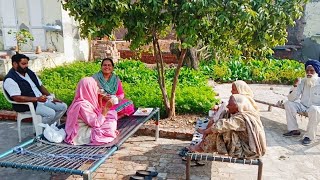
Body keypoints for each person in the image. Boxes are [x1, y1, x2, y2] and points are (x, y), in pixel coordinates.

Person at [189, 94, 266, 159]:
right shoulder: (244, 113)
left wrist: (205, 131)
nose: (228, 106)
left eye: (230, 104)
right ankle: (202, 146)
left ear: (238, 107)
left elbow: (221, 125)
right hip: (244, 145)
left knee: (222, 129)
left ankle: (201, 148)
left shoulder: (242, 118)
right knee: (224, 118)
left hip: (247, 151)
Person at [3, 54, 67, 125]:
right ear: (15, 64)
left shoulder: (29, 72)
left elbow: (40, 86)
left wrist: (51, 97)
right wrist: (37, 99)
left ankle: (49, 128)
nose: (26, 66)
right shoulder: (10, 79)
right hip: (28, 105)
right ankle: (40, 133)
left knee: (63, 106)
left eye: (27, 63)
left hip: (40, 100)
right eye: (23, 64)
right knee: (50, 113)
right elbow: (16, 97)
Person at [65, 77, 119, 145]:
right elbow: (96, 123)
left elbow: (97, 114)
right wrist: (106, 108)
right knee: (109, 127)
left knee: (111, 115)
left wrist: (100, 100)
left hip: (89, 125)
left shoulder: (86, 101)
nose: (97, 89)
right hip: (82, 134)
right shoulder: (82, 105)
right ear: (89, 88)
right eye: (95, 86)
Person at [283, 59, 320, 145]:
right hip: (303, 106)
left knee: (314, 109)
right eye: (307, 71)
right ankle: (294, 130)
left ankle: (309, 136)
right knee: (288, 104)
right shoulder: (303, 81)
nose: (309, 73)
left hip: (317, 108)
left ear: (316, 71)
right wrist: (295, 85)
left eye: (312, 71)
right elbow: (291, 98)